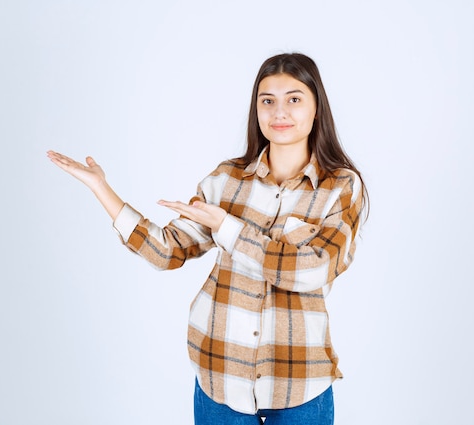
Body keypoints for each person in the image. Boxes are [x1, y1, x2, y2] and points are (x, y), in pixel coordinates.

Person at [48, 52, 368, 425]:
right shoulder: (226, 180)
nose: (279, 112)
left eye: (294, 99)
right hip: (219, 377)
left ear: (316, 109)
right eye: (267, 101)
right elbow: (167, 250)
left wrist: (229, 229)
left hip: (299, 385)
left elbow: (313, 270)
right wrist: (102, 189)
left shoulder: (340, 186)